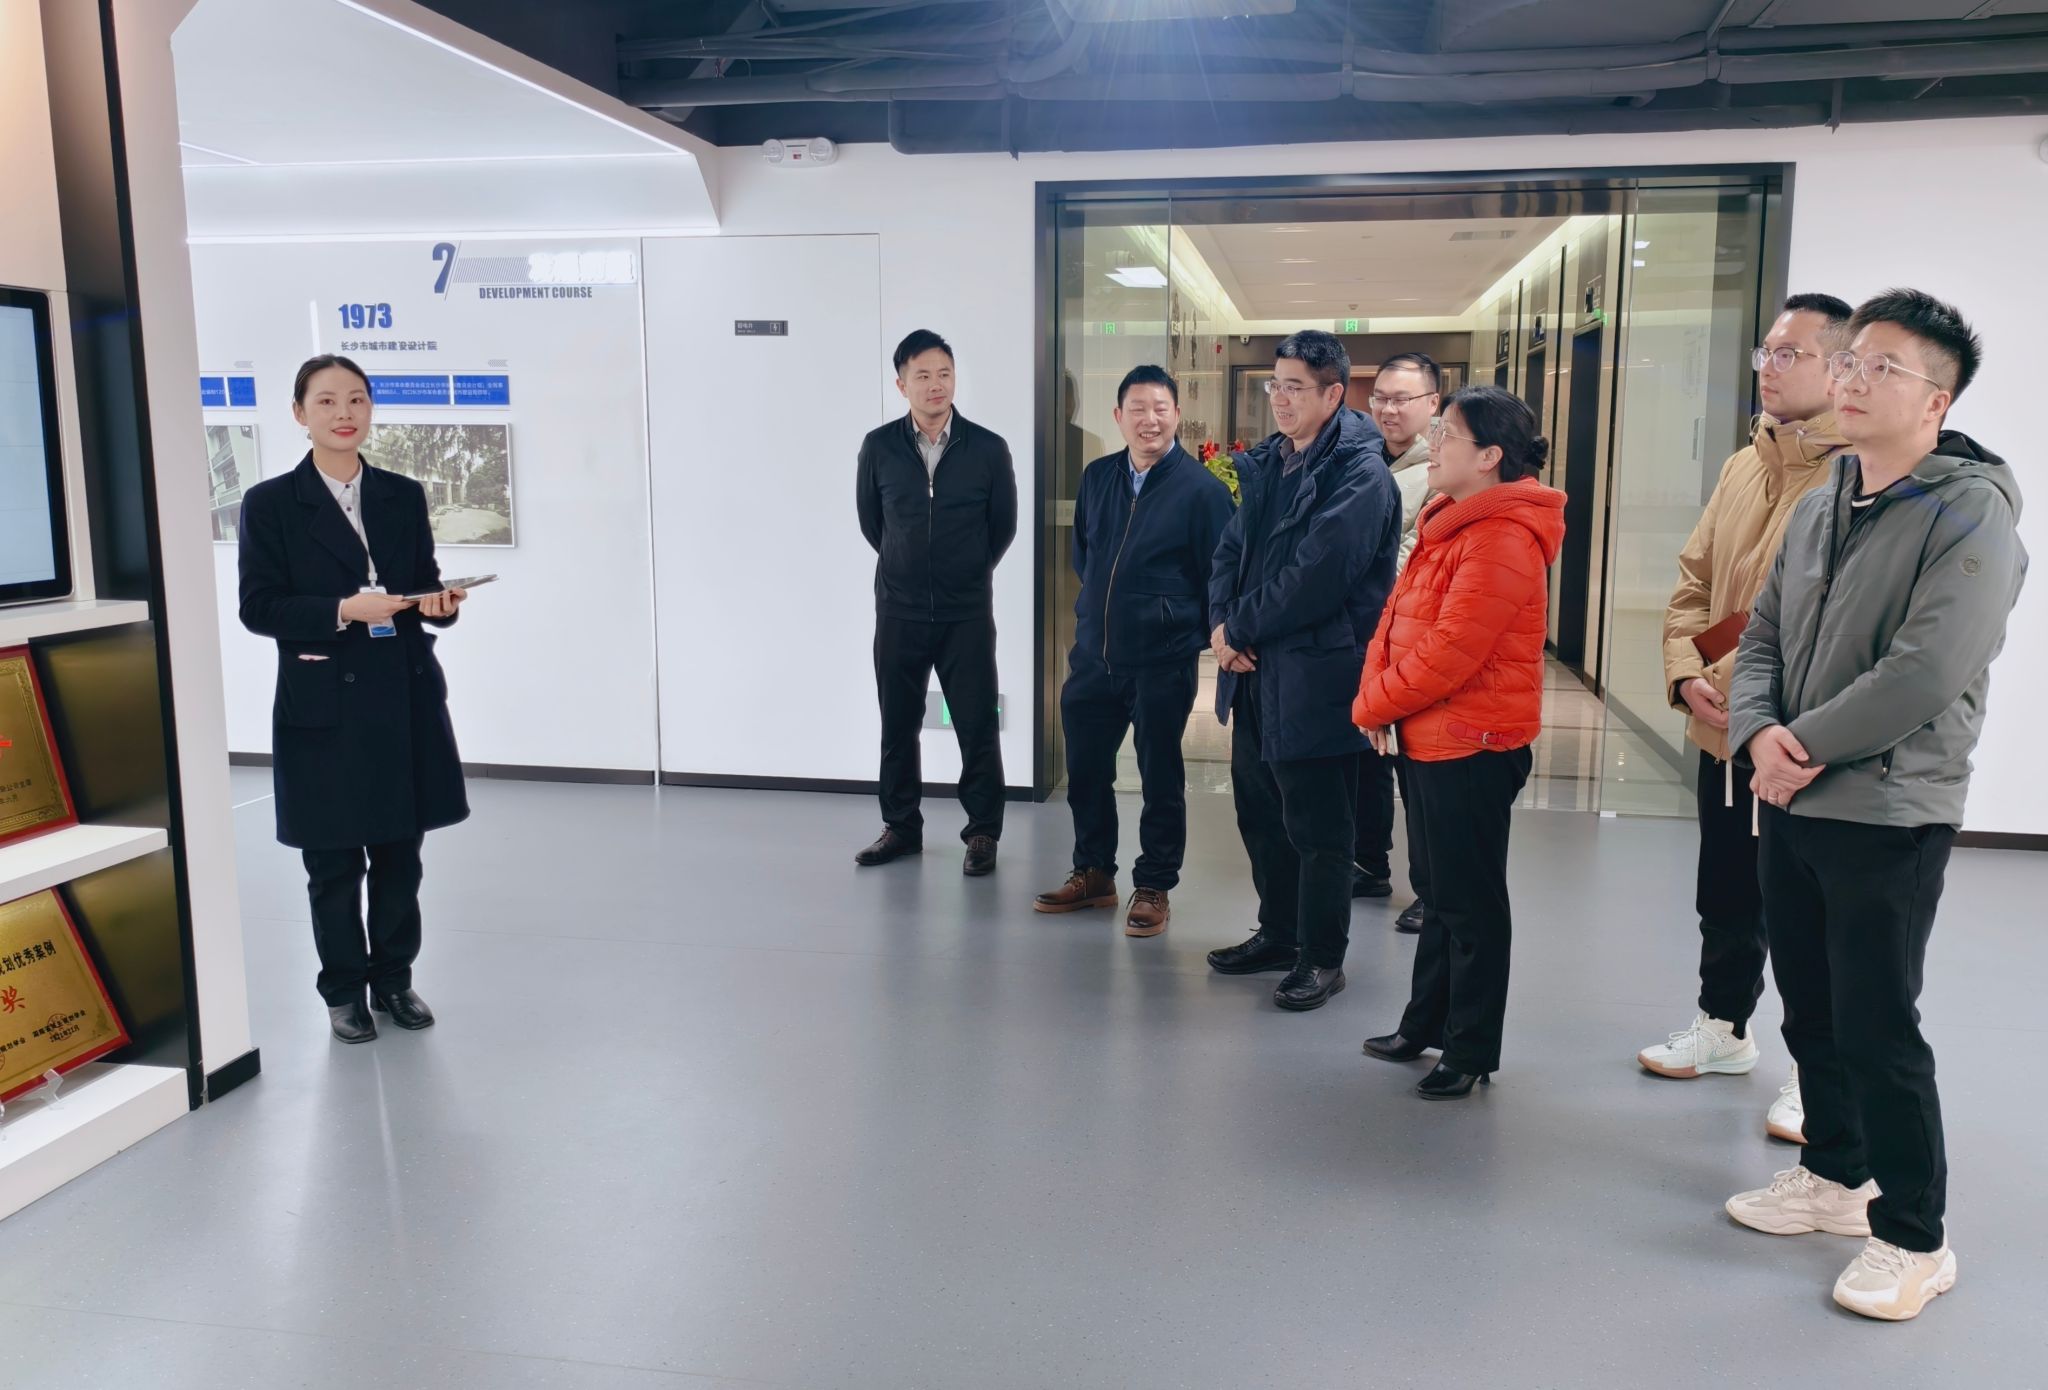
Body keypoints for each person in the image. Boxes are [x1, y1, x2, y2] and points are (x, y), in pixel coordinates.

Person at [1724, 289, 2024, 1322]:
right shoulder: (1823, 500)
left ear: (1936, 399)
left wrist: (1797, 746)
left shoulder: (1970, 511)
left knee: (1876, 1022)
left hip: (1886, 808)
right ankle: (1833, 1175)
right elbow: (1762, 636)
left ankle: (1913, 1235)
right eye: (1848, 361)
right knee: (1808, 1006)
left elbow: (1927, 668)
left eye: (1879, 367)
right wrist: (1757, 734)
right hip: (1791, 794)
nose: (1850, 379)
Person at [1639, 294, 1854, 1148]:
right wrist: (1684, 674)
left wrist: (1725, 680)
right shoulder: (1743, 465)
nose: (1769, 366)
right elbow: (1694, 582)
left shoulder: (1854, 476)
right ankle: (1724, 1027)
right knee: (1725, 891)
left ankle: (1814, 1072)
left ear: (1839, 368)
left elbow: (1817, 619)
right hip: (1718, 723)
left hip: (1796, 736)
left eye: (1791, 353)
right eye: (1767, 351)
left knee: (1807, 911)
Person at [237, 355, 470, 1044]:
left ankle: (393, 979)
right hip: (324, 705)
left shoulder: (403, 493)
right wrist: (343, 609)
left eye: (358, 399)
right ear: (299, 413)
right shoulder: (271, 503)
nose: (345, 413)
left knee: (401, 855)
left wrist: (440, 603)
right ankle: (343, 991)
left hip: (402, 695)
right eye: (328, 400)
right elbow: (259, 607)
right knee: (334, 862)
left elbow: (421, 582)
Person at [1355, 386, 1565, 1099]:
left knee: (1470, 904)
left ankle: (1470, 1048)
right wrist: (1380, 698)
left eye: (1448, 433)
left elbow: (1451, 651)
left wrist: (1372, 704)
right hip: (1427, 734)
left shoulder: (1502, 535)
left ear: (1490, 456)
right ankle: (1425, 1023)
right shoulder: (1450, 518)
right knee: (1439, 895)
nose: (1434, 443)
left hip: (1473, 742)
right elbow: (1396, 619)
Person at [1204, 330, 1399, 1012]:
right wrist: (1222, 627)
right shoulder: (1270, 460)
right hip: (1255, 672)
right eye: (1275, 385)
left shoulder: (1361, 475)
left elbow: (1319, 576)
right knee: (1260, 814)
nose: (1280, 399)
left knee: (1319, 830)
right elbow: (1229, 551)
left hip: (1318, 675)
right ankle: (1279, 933)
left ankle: (1321, 957)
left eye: (1295, 388)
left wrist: (1239, 628)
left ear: (1334, 393)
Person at [1034, 366, 1234, 936]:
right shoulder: (1098, 476)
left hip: (1161, 662)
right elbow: (1086, 556)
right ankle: (1094, 872)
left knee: (1159, 776)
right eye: (1138, 409)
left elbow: (1220, 577)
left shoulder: (1203, 492)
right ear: (1118, 417)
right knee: (1086, 770)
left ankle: (1154, 885)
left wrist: (1180, 628)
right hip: (1094, 656)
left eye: (1160, 408)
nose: (1150, 419)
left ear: (1177, 416)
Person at [854, 330, 1018, 876]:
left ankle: (983, 832)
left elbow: (1002, 527)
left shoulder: (988, 448)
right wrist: (906, 566)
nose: (935, 385)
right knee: (897, 724)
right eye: (922, 375)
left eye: (944, 373)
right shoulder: (879, 447)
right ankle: (901, 827)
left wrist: (964, 572)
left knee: (976, 724)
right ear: (901, 384)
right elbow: (873, 525)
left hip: (965, 613)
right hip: (898, 612)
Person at [1357, 352, 1441, 930]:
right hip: (1364, 640)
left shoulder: (1440, 471)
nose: (1388, 409)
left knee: (1417, 774)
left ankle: (1433, 891)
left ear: (1432, 403)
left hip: (1412, 644)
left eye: (1402, 399)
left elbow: (1410, 561)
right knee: (1367, 760)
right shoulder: (1365, 460)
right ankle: (1369, 864)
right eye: (1380, 398)